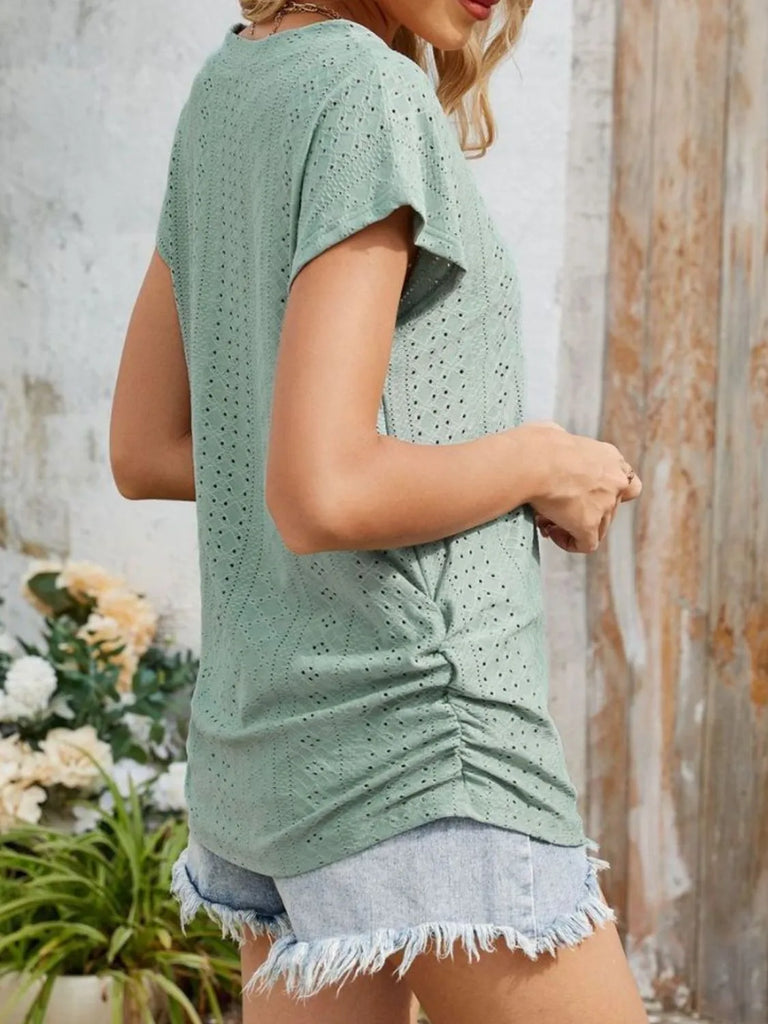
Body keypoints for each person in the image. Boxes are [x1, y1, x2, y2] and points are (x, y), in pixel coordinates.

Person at [109, 1, 649, 1021]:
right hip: (423, 747)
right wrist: (538, 460)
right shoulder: (369, 92)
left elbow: (149, 447)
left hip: (270, 764)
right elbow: (326, 489)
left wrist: (443, 475)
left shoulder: (232, 87)